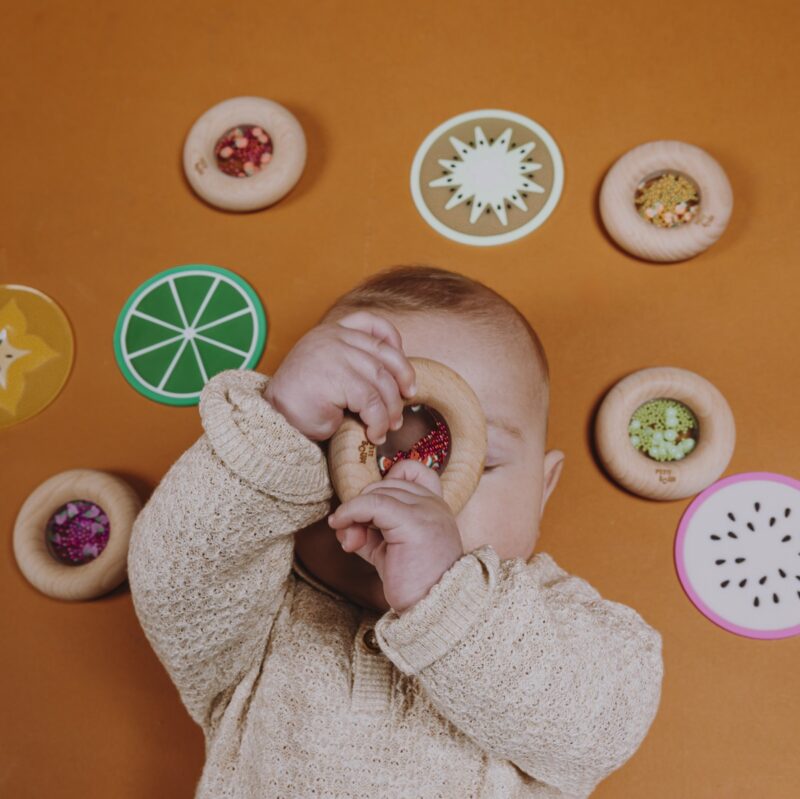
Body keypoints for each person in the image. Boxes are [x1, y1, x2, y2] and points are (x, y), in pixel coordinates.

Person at [128, 264, 664, 798]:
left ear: (541, 491)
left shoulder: (560, 622)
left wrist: (449, 599)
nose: (403, 484)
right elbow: (174, 570)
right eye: (356, 451)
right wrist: (278, 427)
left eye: (469, 462)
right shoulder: (261, 614)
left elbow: (602, 726)